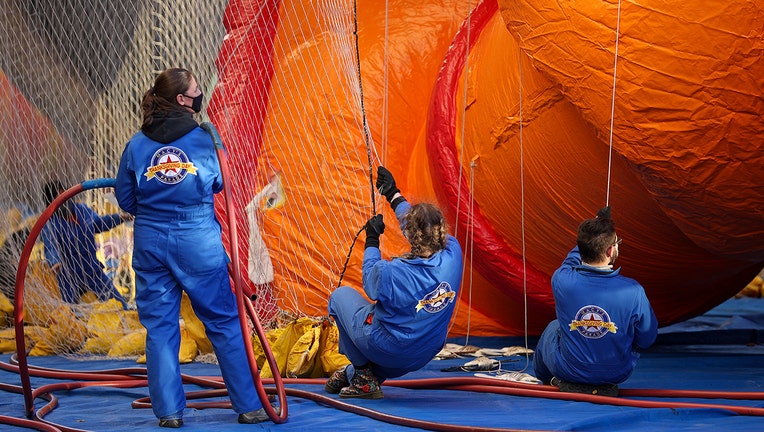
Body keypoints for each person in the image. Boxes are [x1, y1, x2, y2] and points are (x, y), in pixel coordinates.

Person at [114, 67, 268, 427]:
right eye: (196, 89)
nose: (201, 94)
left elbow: (125, 197)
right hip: (197, 239)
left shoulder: (137, 144)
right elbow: (221, 183)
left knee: (161, 327)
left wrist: (156, 207)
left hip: (151, 241)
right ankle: (248, 406)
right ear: (184, 100)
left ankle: (168, 413)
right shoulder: (205, 140)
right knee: (223, 321)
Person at [326, 166, 463, 399]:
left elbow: (369, 280)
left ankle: (361, 376)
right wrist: (393, 194)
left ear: (410, 234)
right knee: (396, 342)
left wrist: (371, 240)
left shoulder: (391, 271)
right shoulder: (454, 253)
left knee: (339, 297)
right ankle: (355, 373)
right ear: (441, 231)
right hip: (424, 353)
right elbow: (420, 227)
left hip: (389, 349)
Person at [532, 206, 658, 396]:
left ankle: (546, 380)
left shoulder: (562, 280)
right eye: (616, 243)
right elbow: (647, 339)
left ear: (581, 248)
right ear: (610, 251)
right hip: (617, 373)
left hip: (569, 370)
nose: (617, 246)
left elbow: (571, 260)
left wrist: (595, 224)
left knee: (553, 327)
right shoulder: (634, 290)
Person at [40, 181, 132, 310]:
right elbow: (50, 245)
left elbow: (99, 224)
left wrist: (119, 218)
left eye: (64, 195)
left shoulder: (82, 210)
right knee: (69, 311)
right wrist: (55, 261)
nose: (64, 200)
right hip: (68, 275)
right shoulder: (50, 223)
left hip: (91, 269)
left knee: (119, 304)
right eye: (59, 197)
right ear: (51, 202)